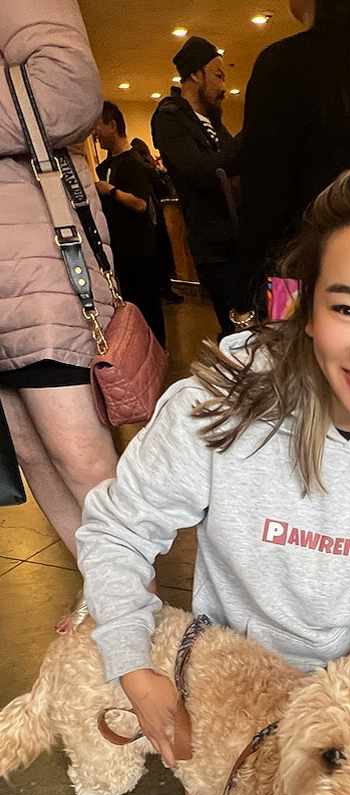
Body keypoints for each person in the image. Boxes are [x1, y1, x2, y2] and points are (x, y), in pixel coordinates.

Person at [76, 165, 350, 769]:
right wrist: (132, 662)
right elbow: (117, 531)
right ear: (307, 308)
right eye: (346, 308)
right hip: (230, 684)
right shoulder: (214, 409)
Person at [0, 0, 119, 557]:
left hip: (32, 262)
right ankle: (106, 597)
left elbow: (67, 88)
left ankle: (142, 620)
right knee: (27, 449)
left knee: (78, 455)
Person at [235, 0, 350, 318]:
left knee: (299, 365)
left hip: (300, 287)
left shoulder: (283, 65)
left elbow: (263, 210)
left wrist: (245, 304)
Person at [151, 36, 241, 337]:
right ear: (195, 75)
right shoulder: (170, 119)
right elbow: (202, 172)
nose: (224, 87)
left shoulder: (214, 122)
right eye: (218, 75)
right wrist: (254, 133)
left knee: (266, 325)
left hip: (244, 243)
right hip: (214, 248)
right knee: (237, 330)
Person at [93, 102, 166, 346]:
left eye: (98, 127)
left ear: (112, 126)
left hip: (139, 248)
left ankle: (157, 350)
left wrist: (110, 190)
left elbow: (140, 204)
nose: (95, 134)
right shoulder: (104, 166)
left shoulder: (133, 162)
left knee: (147, 305)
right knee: (128, 305)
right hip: (118, 249)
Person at [130, 137, 183, 306]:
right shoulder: (148, 168)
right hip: (155, 217)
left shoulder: (134, 167)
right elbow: (164, 189)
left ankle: (161, 291)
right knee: (163, 254)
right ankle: (166, 290)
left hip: (146, 222)